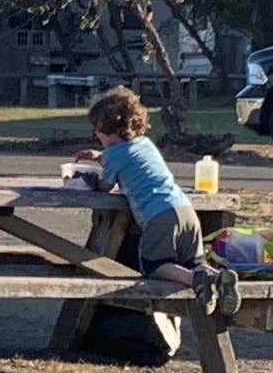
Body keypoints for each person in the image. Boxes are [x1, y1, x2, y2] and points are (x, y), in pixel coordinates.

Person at [70, 85, 199, 270]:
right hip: (185, 209)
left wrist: (87, 180)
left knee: (156, 267)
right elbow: (131, 161)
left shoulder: (114, 154)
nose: (96, 134)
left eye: (97, 130)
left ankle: (195, 279)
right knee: (195, 263)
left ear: (109, 130)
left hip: (158, 216)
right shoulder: (145, 144)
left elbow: (105, 186)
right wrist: (100, 157)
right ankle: (215, 278)